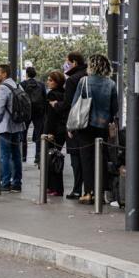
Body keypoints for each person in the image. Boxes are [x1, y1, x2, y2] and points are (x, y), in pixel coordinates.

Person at [71, 54, 118, 204]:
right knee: (102, 158)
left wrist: (71, 126)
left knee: (86, 159)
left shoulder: (84, 81)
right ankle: (102, 191)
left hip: (85, 125)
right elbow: (114, 108)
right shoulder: (110, 84)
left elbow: (75, 103)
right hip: (102, 126)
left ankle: (89, 192)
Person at [54, 51, 87, 199]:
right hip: (89, 123)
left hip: (76, 123)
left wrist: (56, 104)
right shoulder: (89, 75)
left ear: (74, 63)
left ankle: (77, 189)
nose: (65, 64)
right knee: (88, 158)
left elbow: (68, 104)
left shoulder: (73, 80)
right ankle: (89, 189)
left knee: (76, 158)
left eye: (67, 61)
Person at [0, 64, 26, 193]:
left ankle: (5, 182)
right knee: (16, 155)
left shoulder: (3, 88)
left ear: (4, 74)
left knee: (4, 156)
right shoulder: (18, 85)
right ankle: (17, 182)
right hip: (17, 124)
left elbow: (0, 109)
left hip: (5, 126)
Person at [44, 70, 67, 196]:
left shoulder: (52, 95)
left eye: (51, 80)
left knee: (52, 158)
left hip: (54, 131)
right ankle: (55, 187)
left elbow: (51, 117)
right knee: (56, 157)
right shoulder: (64, 94)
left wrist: (49, 132)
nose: (48, 82)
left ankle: (54, 188)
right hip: (62, 130)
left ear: (57, 82)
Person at [20, 67, 46, 164]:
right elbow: (45, 98)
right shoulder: (41, 85)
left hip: (26, 112)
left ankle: (23, 156)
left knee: (23, 134)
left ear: (26, 74)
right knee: (39, 134)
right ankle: (38, 157)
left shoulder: (22, 84)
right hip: (38, 112)